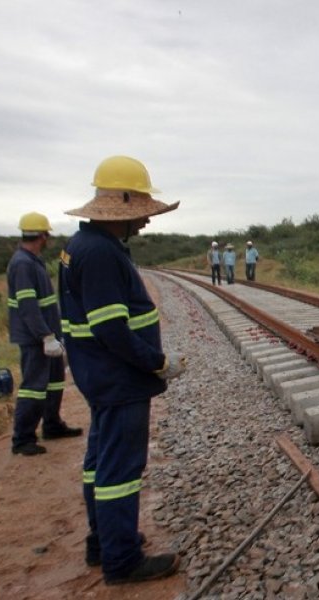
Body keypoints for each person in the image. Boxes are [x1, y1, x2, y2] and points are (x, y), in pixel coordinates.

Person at [59, 155, 186, 585]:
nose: (146, 222)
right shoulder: (99, 254)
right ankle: (122, 560)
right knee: (120, 470)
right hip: (118, 379)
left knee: (100, 463)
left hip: (101, 377)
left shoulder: (85, 246)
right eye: (141, 213)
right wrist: (158, 362)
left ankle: (103, 543)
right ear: (123, 207)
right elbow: (111, 328)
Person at [7, 212, 82, 456]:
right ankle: (23, 439)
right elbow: (27, 306)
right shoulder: (22, 264)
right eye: (47, 234)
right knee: (34, 387)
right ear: (42, 235)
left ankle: (52, 424)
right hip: (36, 339)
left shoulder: (32, 260)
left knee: (55, 381)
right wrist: (44, 336)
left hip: (48, 334)